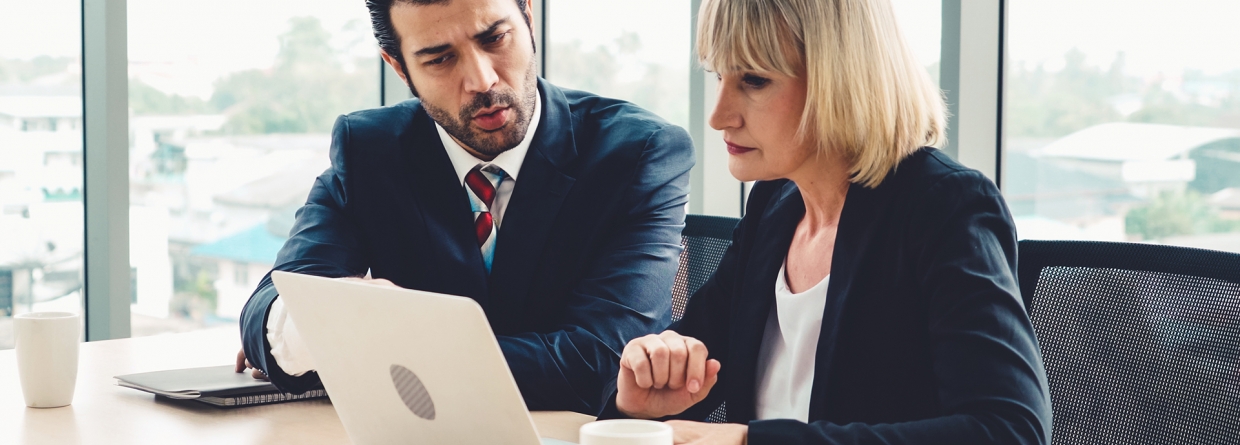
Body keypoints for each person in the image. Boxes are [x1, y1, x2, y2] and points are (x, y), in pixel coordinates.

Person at [597, 0, 1053, 443]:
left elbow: (1009, 430)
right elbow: (688, 370)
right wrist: (639, 403)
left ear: (841, 80)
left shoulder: (944, 207)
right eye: (719, 75)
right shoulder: (775, 205)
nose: (719, 116)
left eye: (754, 80)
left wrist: (749, 441)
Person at [233, 0, 694, 414]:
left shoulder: (637, 153)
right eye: (439, 58)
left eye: (495, 38)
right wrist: (306, 331)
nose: (482, 80)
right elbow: (269, 310)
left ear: (528, 17)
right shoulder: (370, 150)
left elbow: (598, 361)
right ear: (399, 67)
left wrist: (363, 339)